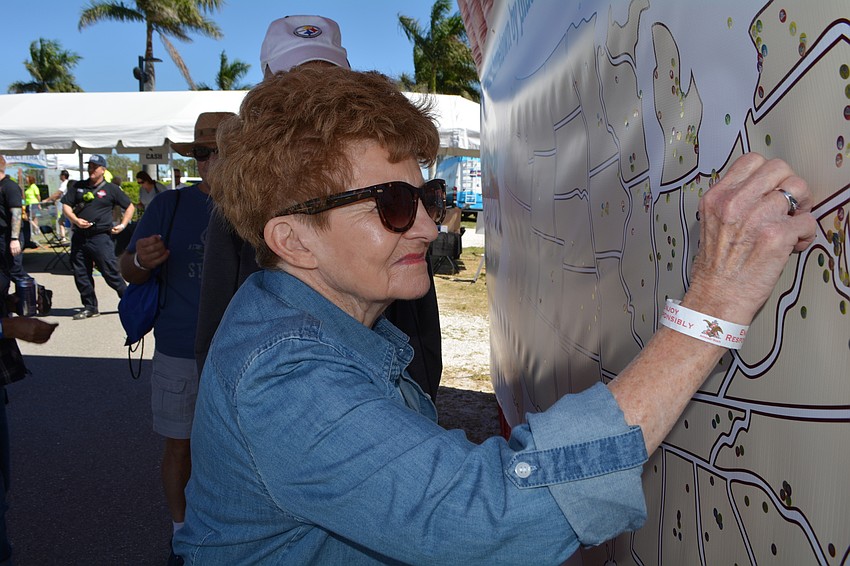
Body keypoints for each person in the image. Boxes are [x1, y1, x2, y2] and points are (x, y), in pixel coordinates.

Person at [173, 66, 816, 564]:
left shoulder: (320, 323)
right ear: (294, 240)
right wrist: (714, 304)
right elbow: (490, 517)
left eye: (427, 194)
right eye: (393, 204)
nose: (428, 224)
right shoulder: (284, 375)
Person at [194, 15, 443, 402]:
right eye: (296, 79)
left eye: (330, 77)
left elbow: (418, 317)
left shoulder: (390, 180)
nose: (315, 91)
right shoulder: (252, 189)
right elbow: (217, 310)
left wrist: (421, 394)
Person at [121, 112, 228, 563]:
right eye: (201, 153)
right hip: (180, 349)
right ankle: (181, 533)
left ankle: (232, 529)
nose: (207, 162)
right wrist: (142, 262)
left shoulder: (260, 205)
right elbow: (129, 271)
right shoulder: (170, 206)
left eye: (217, 152)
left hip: (242, 355)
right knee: (179, 446)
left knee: (239, 449)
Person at [61, 154, 134, 320]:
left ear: (103, 169)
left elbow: (129, 207)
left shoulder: (111, 189)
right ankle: (90, 306)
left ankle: (130, 301)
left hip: (100, 237)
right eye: (90, 166)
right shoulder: (78, 186)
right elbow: (66, 205)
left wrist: (122, 224)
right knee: (81, 273)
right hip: (80, 236)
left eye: (95, 166)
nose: (91, 169)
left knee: (111, 272)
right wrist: (75, 220)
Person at [40, 170, 70, 241]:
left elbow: (58, 193)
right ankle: (63, 237)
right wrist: (54, 200)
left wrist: (47, 200)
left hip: (67, 206)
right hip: (65, 206)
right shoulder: (67, 183)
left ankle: (65, 236)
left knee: (65, 221)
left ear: (63, 176)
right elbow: (60, 195)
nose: (59, 176)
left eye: (60, 175)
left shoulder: (64, 183)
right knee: (61, 221)